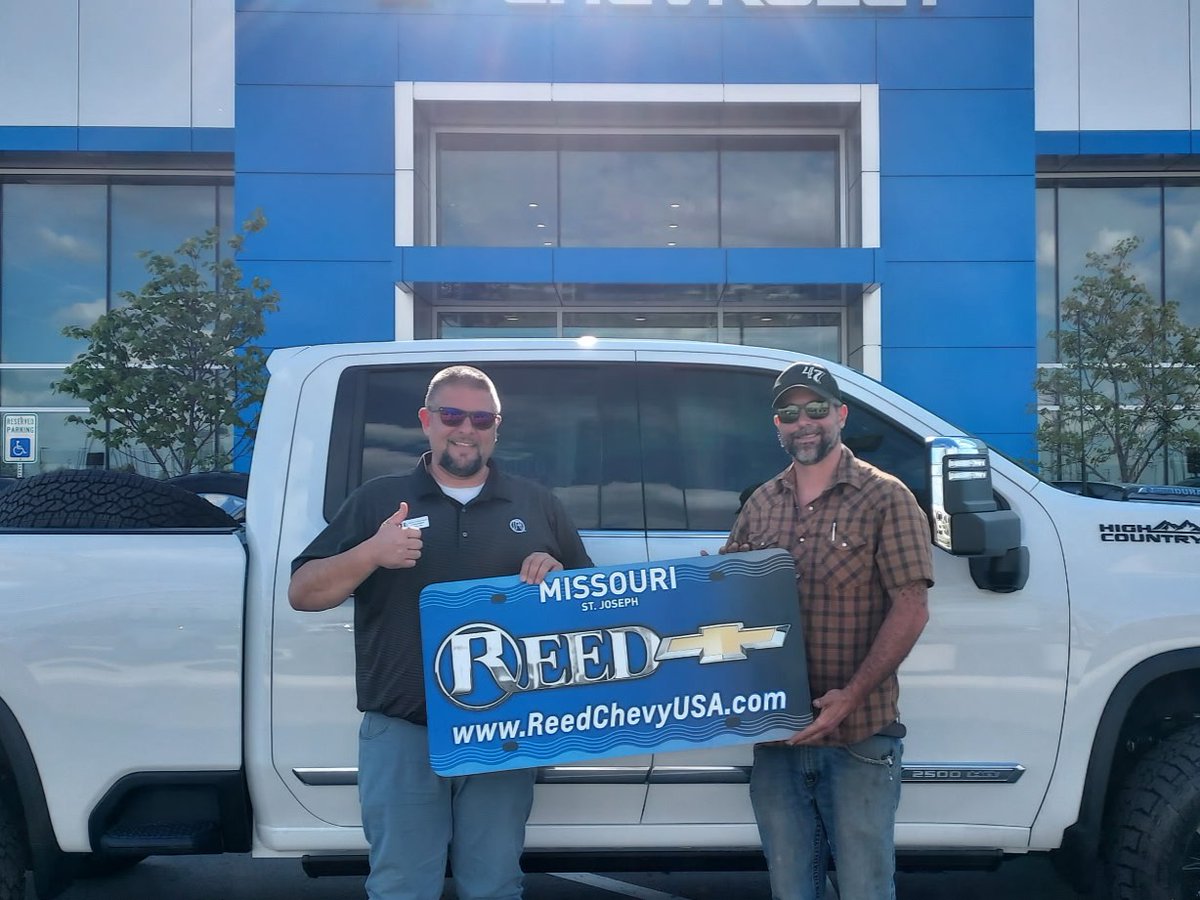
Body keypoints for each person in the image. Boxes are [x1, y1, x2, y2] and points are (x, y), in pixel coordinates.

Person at [289, 365, 592, 900]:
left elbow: (592, 612)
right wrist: (371, 554)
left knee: (495, 886)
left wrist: (561, 580)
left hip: (505, 732)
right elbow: (304, 592)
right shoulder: (378, 501)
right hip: (405, 730)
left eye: (481, 418)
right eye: (452, 415)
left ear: (497, 427)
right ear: (427, 421)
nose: (466, 429)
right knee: (402, 887)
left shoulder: (538, 505)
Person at [720, 361, 934, 900]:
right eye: (788, 413)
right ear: (777, 425)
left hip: (860, 737)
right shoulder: (759, 504)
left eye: (816, 408)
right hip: (777, 738)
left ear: (839, 414)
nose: (803, 422)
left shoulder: (888, 497)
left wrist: (851, 695)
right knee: (792, 889)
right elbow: (726, 607)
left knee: (865, 888)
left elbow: (911, 607)